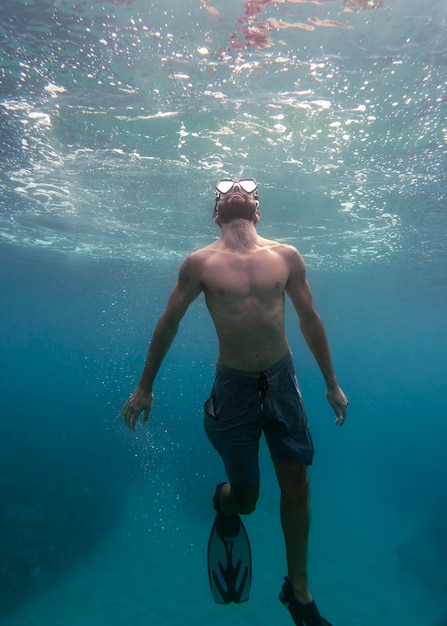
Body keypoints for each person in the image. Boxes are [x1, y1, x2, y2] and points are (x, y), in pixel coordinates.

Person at [120, 178, 348, 626]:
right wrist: (145, 386)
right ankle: (223, 503)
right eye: (225, 188)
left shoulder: (286, 257)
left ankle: (298, 593)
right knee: (246, 498)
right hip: (234, 385)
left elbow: (309, 319)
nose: (235, 189)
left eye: (245, 186)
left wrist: (331, 383)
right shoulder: (199, 263)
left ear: (257, 210)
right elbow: (169, 323)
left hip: (282, 380)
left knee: (296, 482)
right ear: (216, 212)